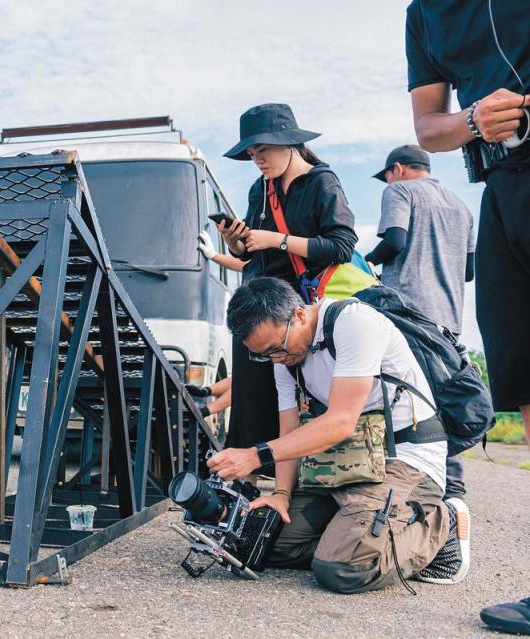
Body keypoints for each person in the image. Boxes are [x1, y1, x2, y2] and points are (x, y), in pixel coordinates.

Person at [208, 277, 469, 593]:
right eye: (264, 355)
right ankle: (357, 537)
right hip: (348, 465)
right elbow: (288, 431)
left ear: (300, 315)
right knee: (266, 543)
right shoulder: (285, 357)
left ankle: (443, 524)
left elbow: (341, 422)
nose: (275, 359)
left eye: (277, 348)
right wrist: (281, 495)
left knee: (342, 569)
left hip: (403, 462)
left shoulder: (354, 323)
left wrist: (253, 456)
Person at [404, 1, 530, 630]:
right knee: (525, 380)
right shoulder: (423, 13)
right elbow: (429, 127)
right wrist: (475, 120)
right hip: (500, 186)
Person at [218, 103, 358, 463]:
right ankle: (248, 471)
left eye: (262, 150)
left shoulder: (321, 181)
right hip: (256, 298)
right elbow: (252, 251)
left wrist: (276, 239)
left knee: (294, 395)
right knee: (251, 391)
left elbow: (341, 246)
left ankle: (296, 474)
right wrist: (238, 243)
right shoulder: (259, 189)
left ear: (288, 143)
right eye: (251, 154)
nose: (257, 160)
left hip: (296, 306)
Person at [365, 144, 475, 503]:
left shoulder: (399, 190)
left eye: (387, 175)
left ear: (397, 169)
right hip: (448, 318)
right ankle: (453, 491)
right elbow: (469, 270)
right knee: (440, 399)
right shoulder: (461, 206)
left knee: (403, 399)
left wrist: (365, 262)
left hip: (407, 314)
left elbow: (395, 240)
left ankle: (408, 489)